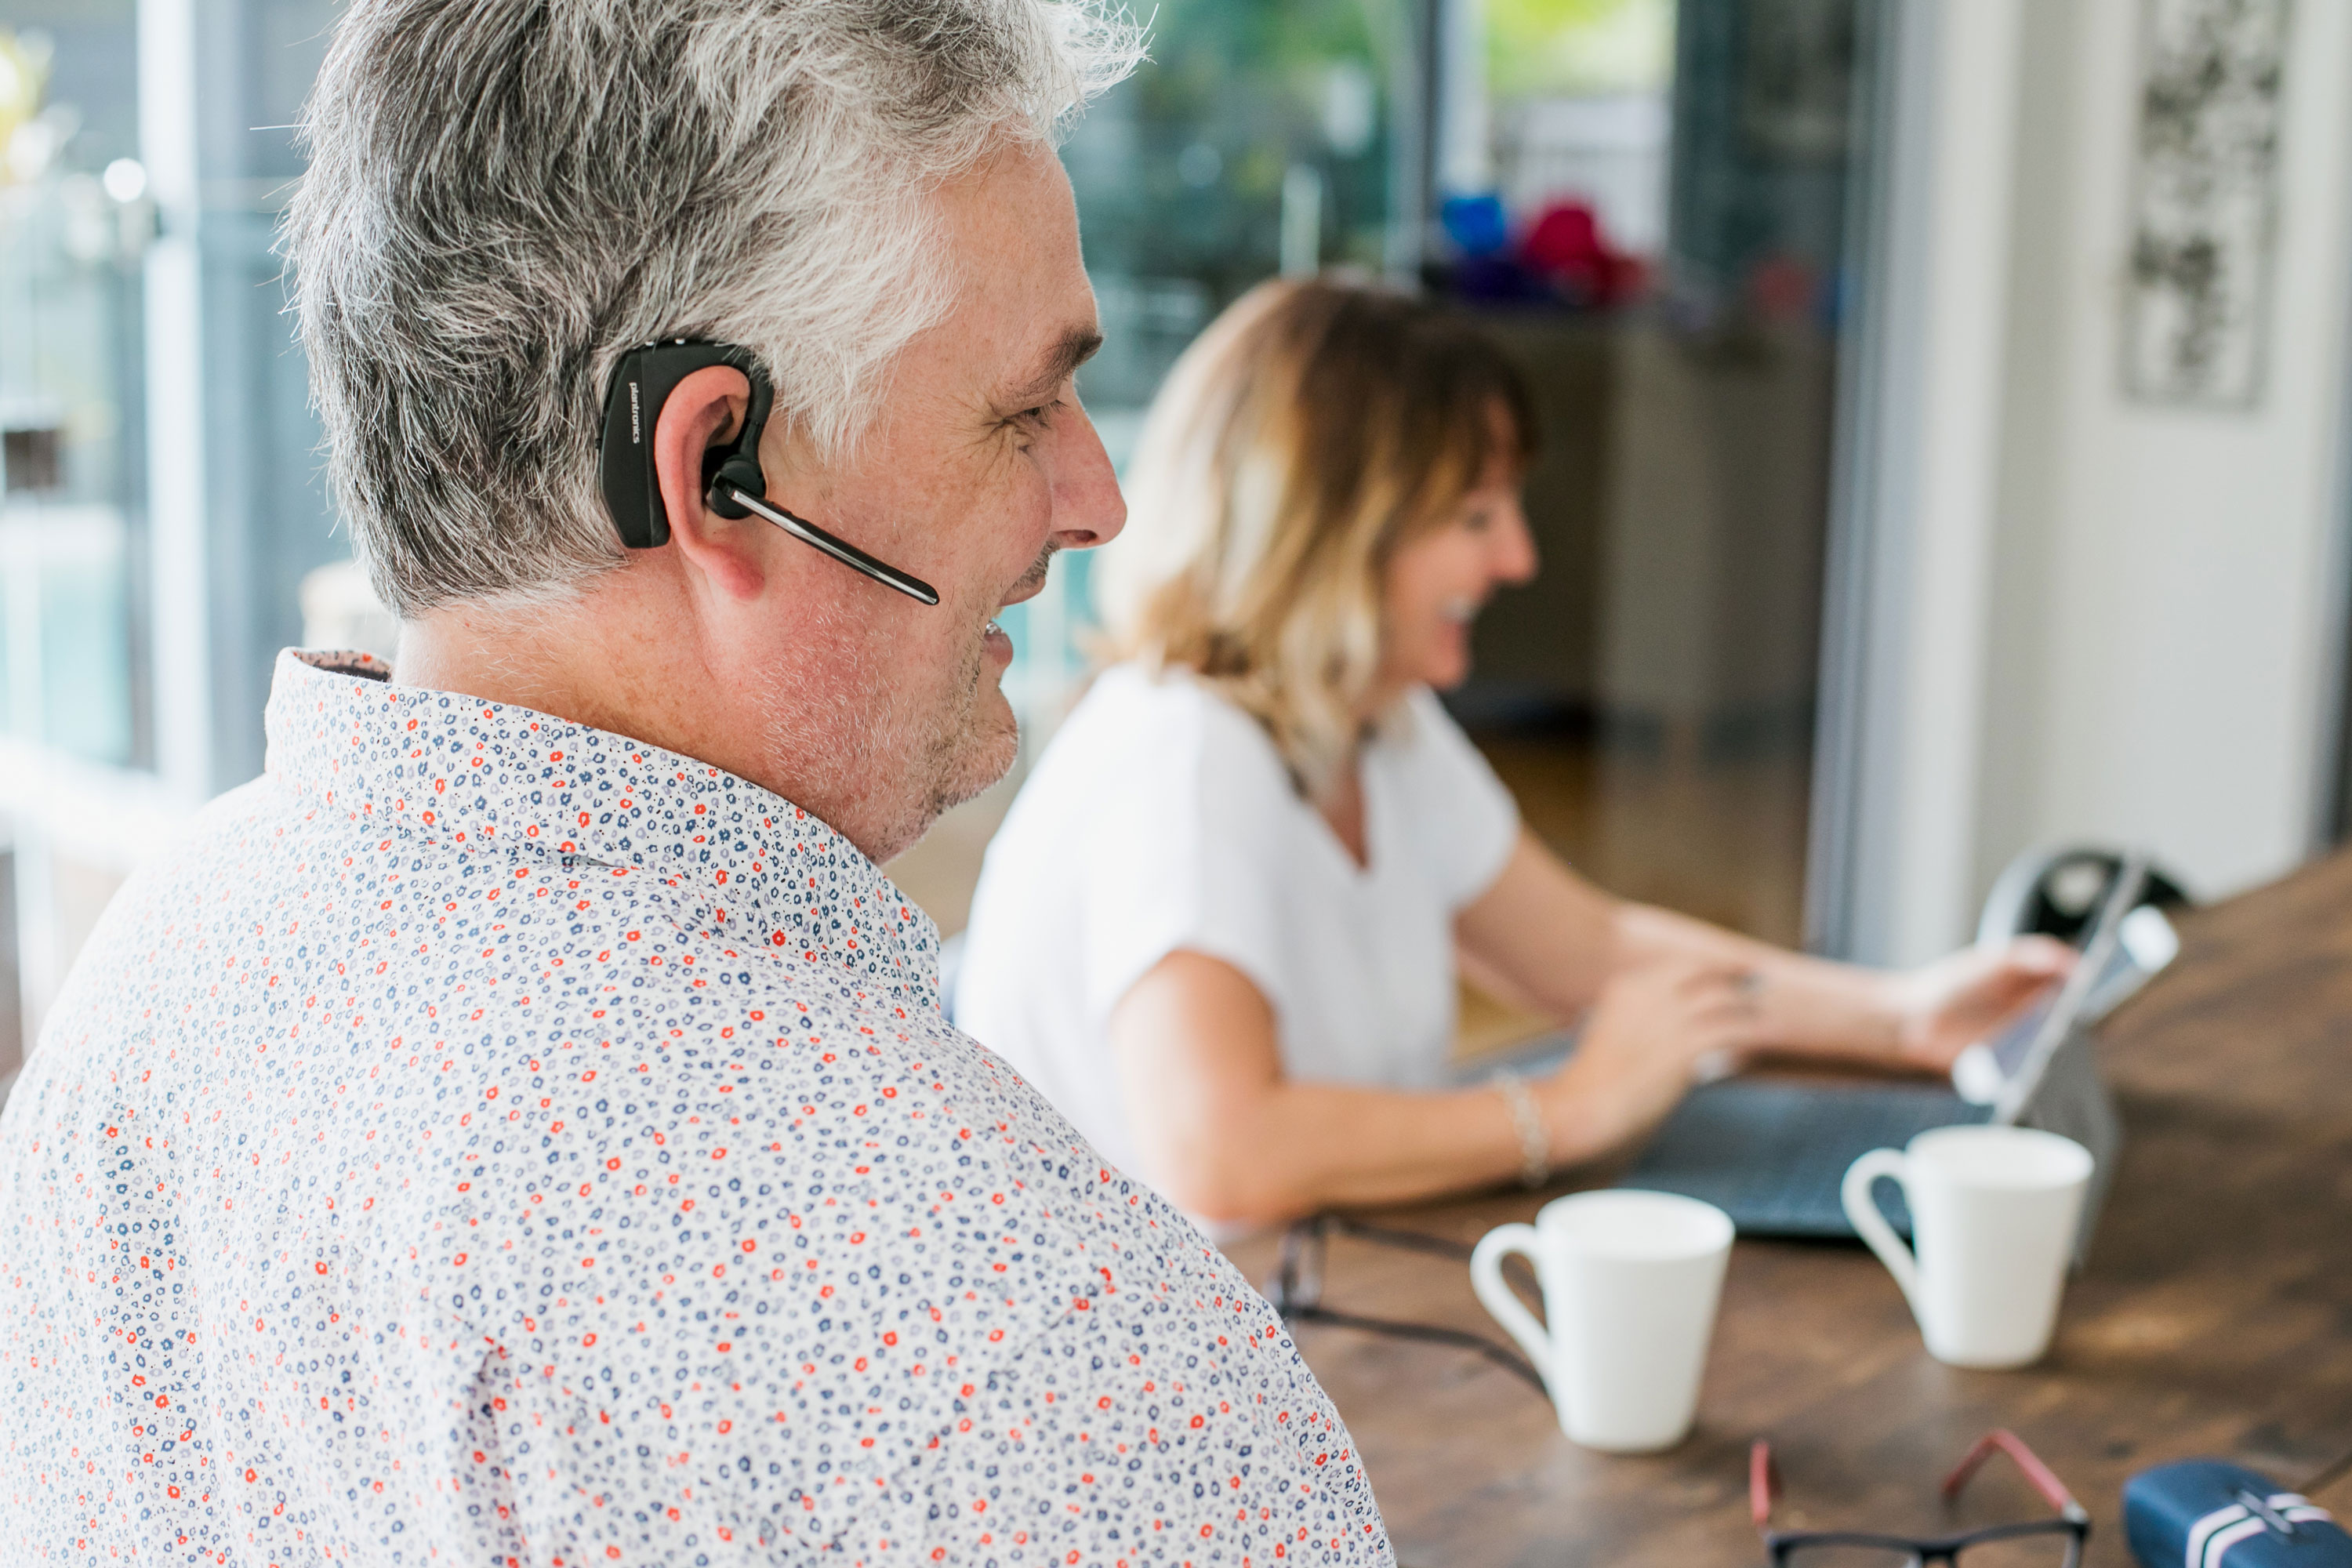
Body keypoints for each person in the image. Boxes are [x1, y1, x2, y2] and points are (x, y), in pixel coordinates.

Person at [0, 7, 1394, 1563]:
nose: (1101, 497)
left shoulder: (149, 983)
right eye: (1024, 410)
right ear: (714, 465)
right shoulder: (1030, 1350)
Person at [955, 278, 2072, 1230]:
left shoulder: (1373, 724)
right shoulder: (1185, 758)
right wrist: (1576, 1107)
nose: (1520, 559)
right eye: (1477, 516)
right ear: (1335, 527)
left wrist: (1906, 1018)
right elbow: (1224, 1151)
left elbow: (1588, 953)